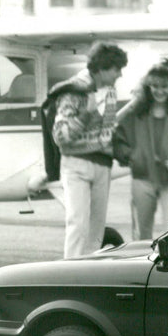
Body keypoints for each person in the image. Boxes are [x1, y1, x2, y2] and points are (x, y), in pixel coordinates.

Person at [50, 42, 128, 258]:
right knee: (78, 225)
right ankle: (70, 275)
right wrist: (85, 115)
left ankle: (87, 278)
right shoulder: (74, 90)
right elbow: (60, 136)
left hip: (102, 165)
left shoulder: (110, 91)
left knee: (95, 231)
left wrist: (124, 152)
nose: (119, 74)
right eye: (116, 69)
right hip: (76, 164)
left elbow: (108, 133)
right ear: (102, 68)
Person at [113, 59, 168, 241]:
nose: (159, 91)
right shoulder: (136, 115)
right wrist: (133, 157)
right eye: (155, 86)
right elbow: (118, 140)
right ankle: (140, 268)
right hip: (142, 180)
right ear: (148, 87)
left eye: (164, 86)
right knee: (141, 235)